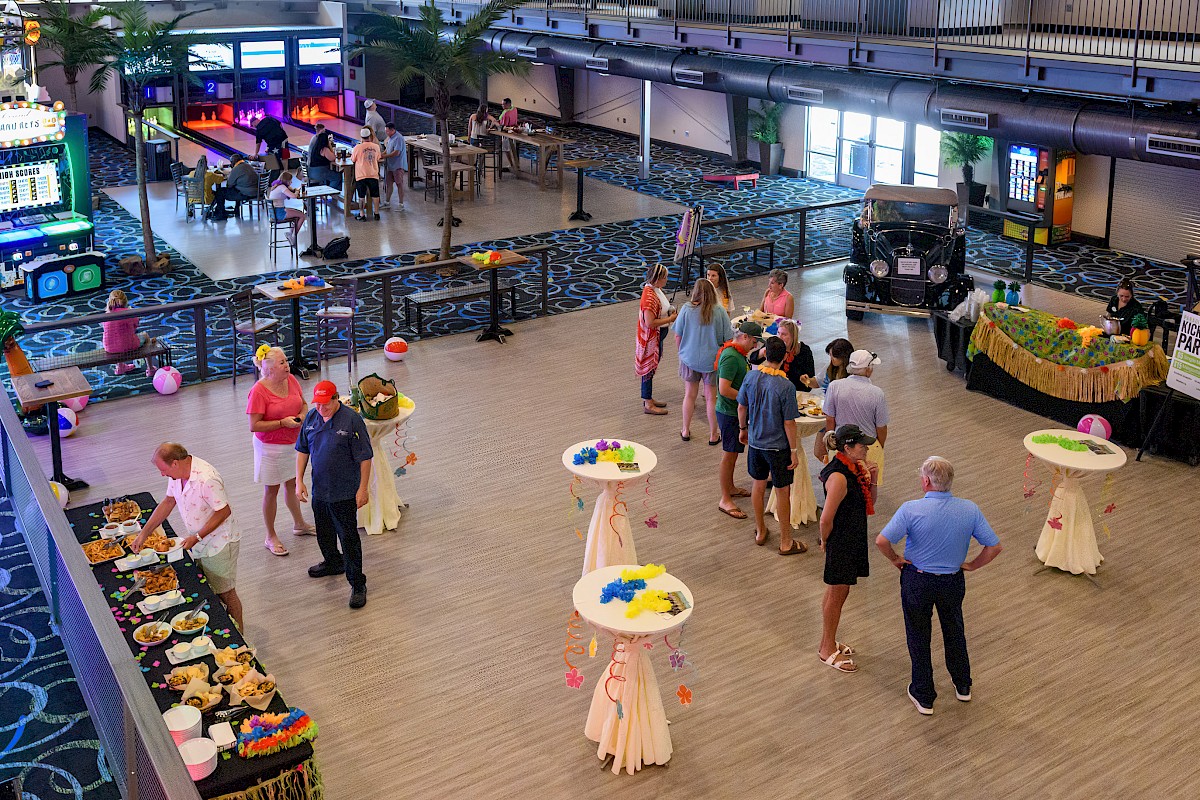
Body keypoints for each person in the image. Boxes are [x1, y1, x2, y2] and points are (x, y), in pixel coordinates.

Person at [876, 456, 1003, 715]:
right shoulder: (969, 509)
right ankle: (962, 685)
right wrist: (972, 565)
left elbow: (882, 541)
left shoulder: (910, 509)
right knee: (954, 629)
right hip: (952, 581)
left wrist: (896, 560)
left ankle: (923, 695)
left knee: (918, 635)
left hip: (918, 580)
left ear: (925, 481)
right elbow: (994, 546)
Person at [133, 443, 244, 629]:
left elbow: (224, 511)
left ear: (175, 463)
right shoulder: (177, 475)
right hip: (200, 541)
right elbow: (169, 501)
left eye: (163, 470)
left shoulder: (207, 479)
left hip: (219, 544)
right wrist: (144, 533)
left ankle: (240, 635)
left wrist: (197, 537)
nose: (162, 474)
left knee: (226, 593)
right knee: (210, 590)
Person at [295, 380, 373, 609]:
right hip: (320, 489)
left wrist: (363, 489)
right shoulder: (311, 417)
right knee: (325, 532)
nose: (321, 409)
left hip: (344, 492)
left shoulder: (352, 420)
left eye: (325, 404)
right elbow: (302, 450)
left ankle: (357, 583)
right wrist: (299, 480)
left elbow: (365, 457)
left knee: (348, 538)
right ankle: (332, 562)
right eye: (317, 404)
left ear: (336, 398)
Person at [816, 425, 879, 673]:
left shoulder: (853, 469)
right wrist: (824, 541)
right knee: (836, 595)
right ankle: (826, 649)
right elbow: (825, 518)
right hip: (841, 541)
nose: (866, 447)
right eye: (861, 444)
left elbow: (869, 503)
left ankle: (828, 641)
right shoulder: (839, 477)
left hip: (851, 538)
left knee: (837, 593)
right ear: (846, 448)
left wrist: (872, 479)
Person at [246, 345, 315, 556]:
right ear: (268, 370)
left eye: (286, 360)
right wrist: (282, 423)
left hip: (293, 444)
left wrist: (302, 417)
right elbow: (254, 425)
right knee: (272, 490)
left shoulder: (291, 379)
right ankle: (270, 536)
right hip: (270, 448)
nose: (287, 365)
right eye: (282, 362)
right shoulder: (258, 391)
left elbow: (303, 404)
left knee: (292, 483)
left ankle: (299, 523)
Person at [737, 336, 802, 554]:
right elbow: (789, 422)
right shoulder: (786, 386)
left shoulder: (751, 377)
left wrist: (743, 429)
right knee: (782, 491)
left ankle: (760, 530)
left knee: (757, 484)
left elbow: (741, 408)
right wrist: (794, 451)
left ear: (764, 353)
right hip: (778, 447)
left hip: (756, 443)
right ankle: (785, 541)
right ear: (784, 356)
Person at [673, 278, 732, 443]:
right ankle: (713, 434)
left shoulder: (686, 309)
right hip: (711, 361)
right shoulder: (719, 311)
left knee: (689, 395)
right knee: (711, 398)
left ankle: (685, 430)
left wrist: (682, 352)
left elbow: (678, 334)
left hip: (689, 358)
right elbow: (728, 339)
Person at [815, 350, 888, 485]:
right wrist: (879, 445)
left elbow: (830, 419)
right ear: (868, 370)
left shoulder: (834, 386)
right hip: (867, 445)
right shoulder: (877, 393)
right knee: (867, 487)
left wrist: (831, 444)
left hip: (841, 444)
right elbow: (881, 427)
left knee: (838, 484)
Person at [715, 321, 762, 519]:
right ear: (743, 337)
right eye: (753, 341)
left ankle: (731, 487)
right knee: (729, 455)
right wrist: (747, 398)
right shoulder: (731, 357)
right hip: (729, 413)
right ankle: (725, 499)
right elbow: (723, 389)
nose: (755, 346)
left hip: (734, 412)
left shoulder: (737, 354)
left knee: (733, 455)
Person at [635, 264, 677, 415]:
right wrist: (670, 318)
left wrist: (670, 311)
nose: (666, 280)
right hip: (650, 339)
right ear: (657, 279)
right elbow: (650, 322)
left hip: (657, 336)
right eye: (664, 277)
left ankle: (649, 398)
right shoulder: (649, 297)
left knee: (652, 367)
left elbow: (662, 307)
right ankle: (647, 402)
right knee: (649, 369)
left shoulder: (655, 290)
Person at [749, 318, 815, 392]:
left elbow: (809, 380)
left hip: (795, 390)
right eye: (778, 333)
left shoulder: (804, 351)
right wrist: (764, 350)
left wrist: (805, 380)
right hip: (775, 389)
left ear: (793, 337)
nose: (779, 337)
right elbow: (753, 360)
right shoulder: (775, 346)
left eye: (784, 334)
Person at [101, 289, 149, 376]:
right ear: (125, 301)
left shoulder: (106, 315)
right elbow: (136, 324)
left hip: (109, 347)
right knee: (145, 336)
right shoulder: (128, 312)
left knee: (115, 337)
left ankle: (120, 367)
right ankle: (150, 368)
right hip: (128, 345)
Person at [207, 153, 258, 220]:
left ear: (233, 162)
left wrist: (229, 176)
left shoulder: (236, 169)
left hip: (245, 194)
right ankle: (236, 210)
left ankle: (220, 213)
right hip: (256, 192)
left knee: (220, 192)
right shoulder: (249, 166)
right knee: (237, 187)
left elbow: (229, 185)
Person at [268, 171, 307, 247]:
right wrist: (296, 191)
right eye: (290, 181)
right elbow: (294, 196)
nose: (291, 182)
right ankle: (293, 236)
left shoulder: (277, 186)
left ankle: (290, 233)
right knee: (302, 216)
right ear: (287, 181)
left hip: (275, 212)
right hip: (279, 213)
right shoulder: (282, 187)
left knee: (298, 213)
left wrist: (294, 191)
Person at [351, 127, 382, 222]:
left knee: (361, 196)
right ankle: (376, 214)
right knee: (375, 195)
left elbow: (353, 159)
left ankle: (362, 215)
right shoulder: (376, 147)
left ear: (361, 137)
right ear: (370, 136)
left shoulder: (357, 147)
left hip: (361, 175)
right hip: (373, 174)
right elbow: (378, 158)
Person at [379, 122, 407, 210]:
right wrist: (381, 154)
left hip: (398, 165)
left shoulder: (398, 138)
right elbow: (388, 149)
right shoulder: (390, 138)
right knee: (389, 183)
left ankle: (401, 204)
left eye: (387, 131)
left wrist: (384, 156)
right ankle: (387, 202)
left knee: (399, 184)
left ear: (392, 130)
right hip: (390, 165)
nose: (386, 133)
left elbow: (396, 152)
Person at [307, 124, 342, 190]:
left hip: (311, 171)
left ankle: (333, 194)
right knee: (337, 176)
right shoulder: (324, 149)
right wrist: (329, 145)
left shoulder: (315, 147)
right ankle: (329, 192)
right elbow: (333, 158)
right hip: (319, 173)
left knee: (330, 174)